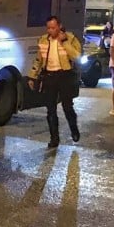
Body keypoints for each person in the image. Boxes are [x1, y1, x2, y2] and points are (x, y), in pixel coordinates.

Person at [28, 16, 81, 148]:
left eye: (53, 27)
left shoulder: (70, 38)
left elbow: (77, 57)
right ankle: (54, 138)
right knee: (50, 109)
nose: (50, 30)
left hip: (65, 75)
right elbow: (38, 60)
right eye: (48, 28)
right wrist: (32, 76)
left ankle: (74, 130)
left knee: (67, 107)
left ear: (59, 26)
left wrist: (65, 42)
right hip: (49, 76)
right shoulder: (44, 40)